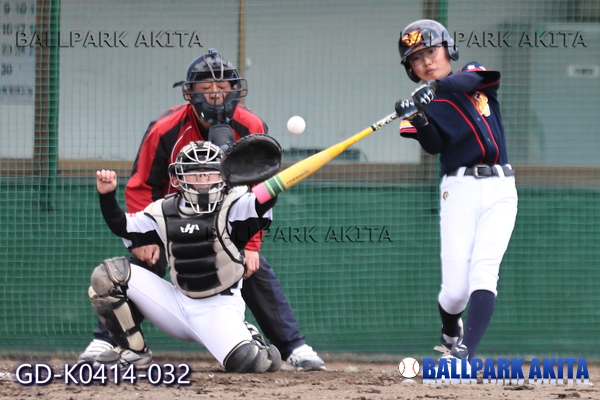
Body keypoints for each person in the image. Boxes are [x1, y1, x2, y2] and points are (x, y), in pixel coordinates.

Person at [79, 48, 325, 371]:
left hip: (226, 220)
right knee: (137, 264)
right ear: (190, 93)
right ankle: (110, 340)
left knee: (251, 265)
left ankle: (293, 347)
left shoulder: (250, 124)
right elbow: (142, 184)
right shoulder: (165, 128)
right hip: (172, 217)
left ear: (235, 90)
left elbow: (259, 191)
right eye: (206, 88)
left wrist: (251, 244)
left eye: (223, 88)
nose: (216, 95)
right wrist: (144, 241)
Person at [90, 140, 282, 373]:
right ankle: (134, 350)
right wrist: (107, 196)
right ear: (178, 177)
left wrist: (268, 179)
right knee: (107, 276)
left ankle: (251, 338)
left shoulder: (236, 203)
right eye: (194, 172)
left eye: (209, 171)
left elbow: (262, 202)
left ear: (223, 175)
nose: (202, 178)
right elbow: (123, 226)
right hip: (177, 304)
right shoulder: (164, 210)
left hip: (219, 309)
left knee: (247, 363)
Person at [394, 20, 518, 369]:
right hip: (458, 189)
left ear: (448, 49)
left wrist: (434, 88)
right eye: (416, 58)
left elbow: (470, 81)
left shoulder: (473, 76)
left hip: (501, 187)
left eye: (431, 51)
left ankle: (464, 354)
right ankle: (450, 331)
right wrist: (418, 118)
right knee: (454, 294)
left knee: (484, 271)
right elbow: (434, 146)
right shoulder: (421, 104)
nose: (426, 62)